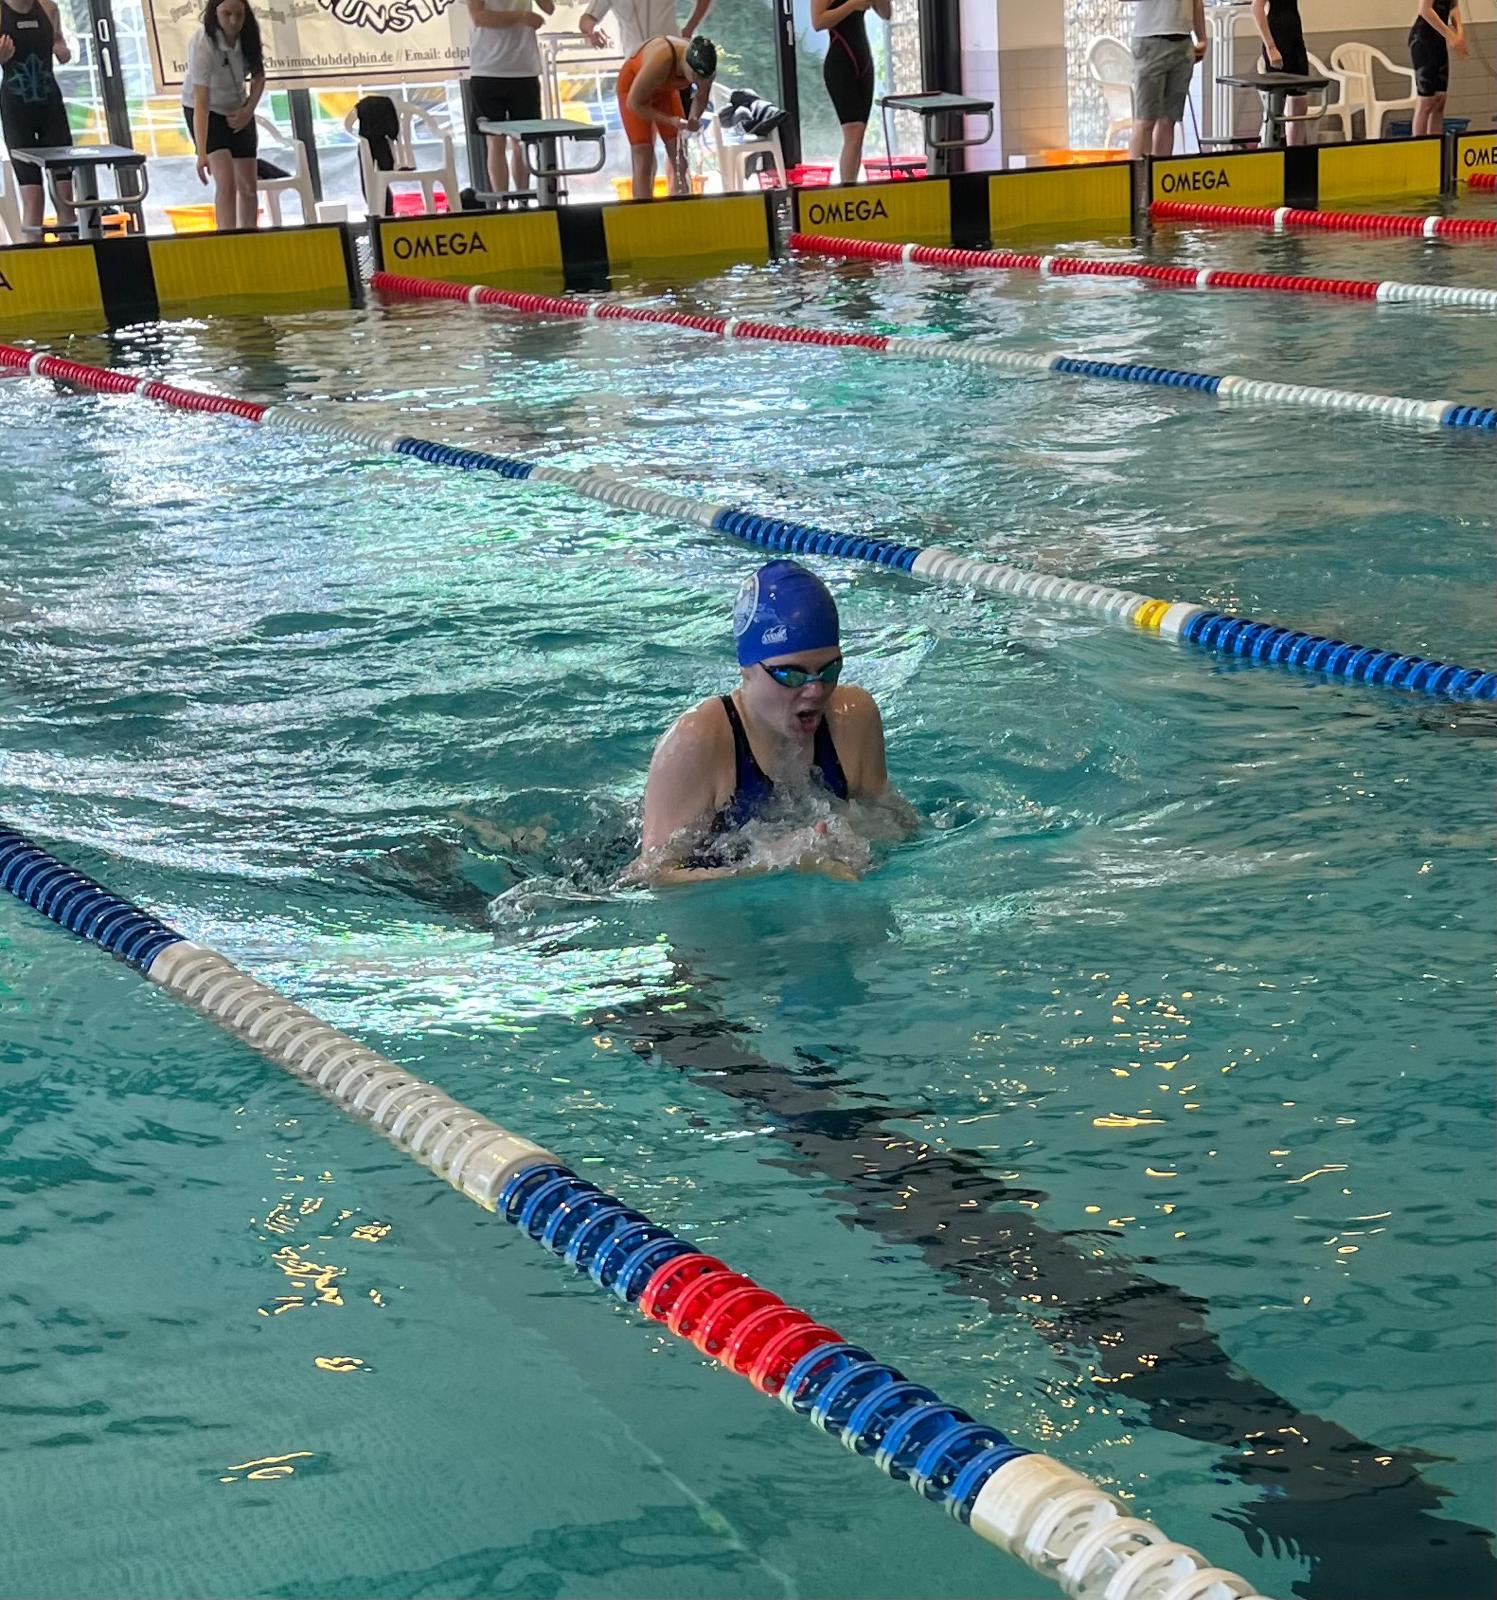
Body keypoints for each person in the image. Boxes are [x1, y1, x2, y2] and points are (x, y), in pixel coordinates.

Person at [624, 560, 897, 886]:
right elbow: (653, 876)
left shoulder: (853, 717)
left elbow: (892, 819)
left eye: (829, 670)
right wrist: (774, 863)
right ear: (747, 669)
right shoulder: (696, 741)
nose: (816, 690)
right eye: (792, 674)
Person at [181, 0, 265, 230]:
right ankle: (227, 238)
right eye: (227, 14)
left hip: (237, 106)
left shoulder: (248, 35)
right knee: (227, 183)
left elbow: (258, 77)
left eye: (239, 15)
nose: (233, 21)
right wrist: (201, 151)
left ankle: (249, 236)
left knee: (249, 187)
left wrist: (248, 110)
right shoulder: (203, 43)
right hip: (206, 110)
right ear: (215, 13)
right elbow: (201, 102)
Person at [0, 0, 75, 238]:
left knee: (65, 195)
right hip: (17, 111)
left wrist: (62, 51)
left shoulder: (49, 8)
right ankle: (34, 255)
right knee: (33, 198)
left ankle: (72, 252)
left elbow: (61, 46)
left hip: (50, 108)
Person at [466, 0, 554, 200]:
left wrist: (528, 15)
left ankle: (523, 200)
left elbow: (549, 8)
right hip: (488, 70)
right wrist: (520, 16)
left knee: (522, 142)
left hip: (524, 69)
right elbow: (478, 17)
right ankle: (502, 203)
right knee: (495, 142)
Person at [616, 32, 715, 199]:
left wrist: (693, 118)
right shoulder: (662, 59)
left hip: (665, 92)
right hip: (632, 90)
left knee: (679, 156)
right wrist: (670, 120)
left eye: (702, 78)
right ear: (686, 63)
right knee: (644, 156)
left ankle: (680, 205)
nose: (698, 82)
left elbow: (701, 96)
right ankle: (643, 210)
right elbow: (635, 104)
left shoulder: (707, 69)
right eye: (695, 77)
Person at [812, 0, 891, 186]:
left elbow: (886, 14)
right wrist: (852, 4)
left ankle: (852, 186)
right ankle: (847, 190)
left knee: (859, 134)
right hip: (840, 63)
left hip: (864, 61)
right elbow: (818, 22)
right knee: (853, 132)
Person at [1122, 0, 1207, 159]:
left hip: (1183, 41)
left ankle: (1160, 169)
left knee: (1169, 120)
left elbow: (1196, 2)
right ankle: (1139, 173)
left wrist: (1202, 37)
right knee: (1146, 119)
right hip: (1150, 39)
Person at [1250, 0, 1311, 146]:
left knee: (1299, 109)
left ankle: (1294, 153)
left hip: (1295, 41)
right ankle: (1269, 149)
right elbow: (1256, 8)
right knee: (1275, 108)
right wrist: (1271, 46)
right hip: (1277, 41)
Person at [579, 0, 712, 61]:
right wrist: (594, 27)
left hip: (671, 59)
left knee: (678, 107)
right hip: (634, 63)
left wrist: (689, 29)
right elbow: (586, 18)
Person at [1409, 0, 1466, 136]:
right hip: (1423, 39)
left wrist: (1459, 34)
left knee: (1440, 99)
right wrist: (1451, 36)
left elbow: (1453, 7)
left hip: (1439, 39)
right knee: (1426, 101)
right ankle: (1419, 145)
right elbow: (1425, 10)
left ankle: (1436, 144)